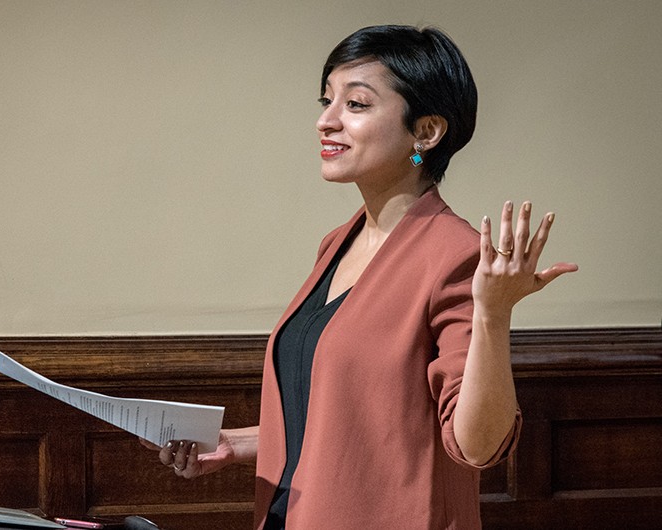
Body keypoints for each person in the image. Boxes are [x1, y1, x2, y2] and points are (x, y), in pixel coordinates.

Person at [141, 25, 577, 529]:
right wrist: (237, 443)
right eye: (327, 101)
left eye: (356, 105)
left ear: (427, 132)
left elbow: (478, 446)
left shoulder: (454, 256)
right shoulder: (336, 243)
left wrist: (494, 314)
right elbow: (358, 413)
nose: (326, 122)